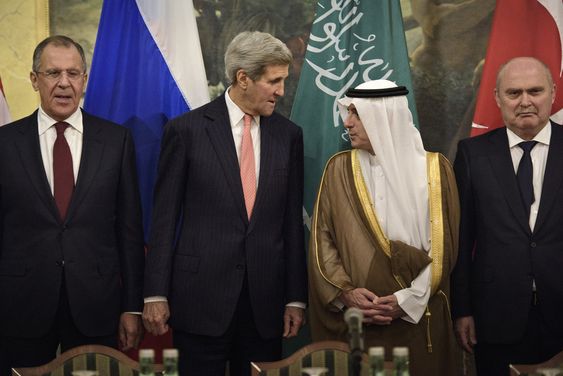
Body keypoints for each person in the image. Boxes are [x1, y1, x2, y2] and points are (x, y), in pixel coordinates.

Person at [142, 31, 307, 376]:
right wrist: (155, 293)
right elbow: (164, 218)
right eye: (274, 81)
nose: (281, 91)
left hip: (264, 304)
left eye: (283, 81)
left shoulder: (288, 135)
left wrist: (294, 296)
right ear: (243, 78)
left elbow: (291, 222)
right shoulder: (186, 130)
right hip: (200, 299)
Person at [0, 35, 145, 370]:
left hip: (96, 303)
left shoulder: (116, 141)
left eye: (73, 73)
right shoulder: (6, 144)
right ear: (34, 79)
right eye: (53, 73)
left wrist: (131, 306)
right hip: (21, 304)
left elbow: (129, 230)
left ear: (84, 80)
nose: (64, 83)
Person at [308, 80, 461, 375]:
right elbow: (322, 240)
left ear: (385, 117)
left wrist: (407, 301)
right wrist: (346, 293)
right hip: (358, 319)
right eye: (348, 113)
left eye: (357, 114)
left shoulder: (434, 170)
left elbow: (445, 246)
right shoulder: (338, 169)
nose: (348, 123)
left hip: (418, 318)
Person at [451, 56, 563, 375]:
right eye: (514, 93)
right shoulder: (473, 154)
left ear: (553, 93)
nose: (525, 101)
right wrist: (462, 310)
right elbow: (461, 238)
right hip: (496, 317)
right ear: (497, 98)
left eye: (535, 91)